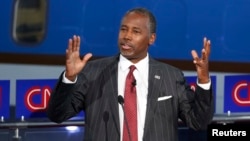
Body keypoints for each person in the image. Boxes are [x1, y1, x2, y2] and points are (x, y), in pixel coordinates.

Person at [47, 7, 214, 141]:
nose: (126, 36)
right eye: (123, 30)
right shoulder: (93, 72)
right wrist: (69, 78)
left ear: (151, 38)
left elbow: (198, 122)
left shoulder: (171, 76)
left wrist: (204, 79)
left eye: (136, 32)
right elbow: (57, 115)